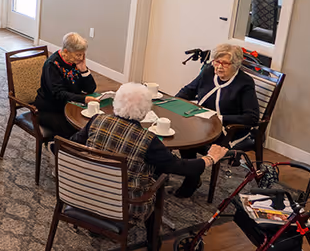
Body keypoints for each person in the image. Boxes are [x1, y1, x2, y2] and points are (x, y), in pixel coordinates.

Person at [72, 83, 229, 203]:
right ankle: (152, 241)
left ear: (115, 103)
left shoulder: (96, 120)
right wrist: (210, 158)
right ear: (146, 111)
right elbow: (179, 167)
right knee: (157, 174)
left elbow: (73, 144)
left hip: (86, 188)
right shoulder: (148, 141)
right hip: (125, 202)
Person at [176, 43, 260, 150]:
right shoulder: (209, 71)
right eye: (217, 62)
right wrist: (174, 102)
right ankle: (188, 163)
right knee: (179, 130)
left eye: (225, 63)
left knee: (188, 137)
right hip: (202, 122)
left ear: (236, 65)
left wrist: (219, 118)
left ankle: (193, 163)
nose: (219, 67)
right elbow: (188, 91)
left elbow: (251, 117)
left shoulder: (244, 82)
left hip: (228, 128)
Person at [34, 32, 98, 139]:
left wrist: (83, 70)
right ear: (66, 52)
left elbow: (90, 88)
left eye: (83, 54)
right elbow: (59, 94)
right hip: (50, 109)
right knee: (75, 131)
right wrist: (83, 99)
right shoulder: (52, 65)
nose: (81, 57)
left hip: (71, 105)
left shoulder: (75, 62)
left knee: (91, 125)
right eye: (78, 54)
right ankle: (59, 151)